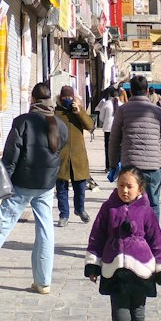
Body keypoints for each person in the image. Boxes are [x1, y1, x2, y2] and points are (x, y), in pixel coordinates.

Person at [85, 166, 161, 321]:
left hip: (141, 271)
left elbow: (157, 240)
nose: (124, 190)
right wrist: (93, 264)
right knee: (121, 318)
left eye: (129, 186)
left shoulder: (146, 210)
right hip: (113, 269)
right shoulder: (108, 208)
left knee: (138, 314)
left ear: (140, 188)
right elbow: (96, 236)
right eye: (121, 185)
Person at [0, 82, 68, 293]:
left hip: (22, 183)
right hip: (46, 185)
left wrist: (5, 180)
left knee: (2, 225)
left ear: (32, 99)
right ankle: (43, 281)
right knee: (45, 229)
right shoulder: (60, 125)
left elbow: (11, 155)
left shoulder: (22, 122)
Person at [108, 73, 161, 217]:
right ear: (147, 91)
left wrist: (113, 165)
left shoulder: (122, 110)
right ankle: (152, 238)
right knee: (153, 205)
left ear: (130, 91)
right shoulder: (158, 111)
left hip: (130, 167)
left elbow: (114, 140)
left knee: (130, 203)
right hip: (153, 168)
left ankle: (133, 236)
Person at [55, 85, 95, 225]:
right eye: (64, 97)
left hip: (78, 156)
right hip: (61, 156)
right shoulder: (56, 113)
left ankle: (80, 209)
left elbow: (90, 126)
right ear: (60, 98)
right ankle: (64, 215)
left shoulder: (78, 110)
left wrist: (79, 112)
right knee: (61, 189)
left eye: (69, 97)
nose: (67, 100)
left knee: (80, 187)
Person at [97, 88, 117, 172]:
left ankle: (108, 166)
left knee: (108, 148)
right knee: (117, 148)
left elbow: (101, 117)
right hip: (117, 128)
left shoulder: (106, 104)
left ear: (109, 95)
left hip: (108, 129)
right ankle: (116, 165)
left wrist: (105, 121)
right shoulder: (121, 104)